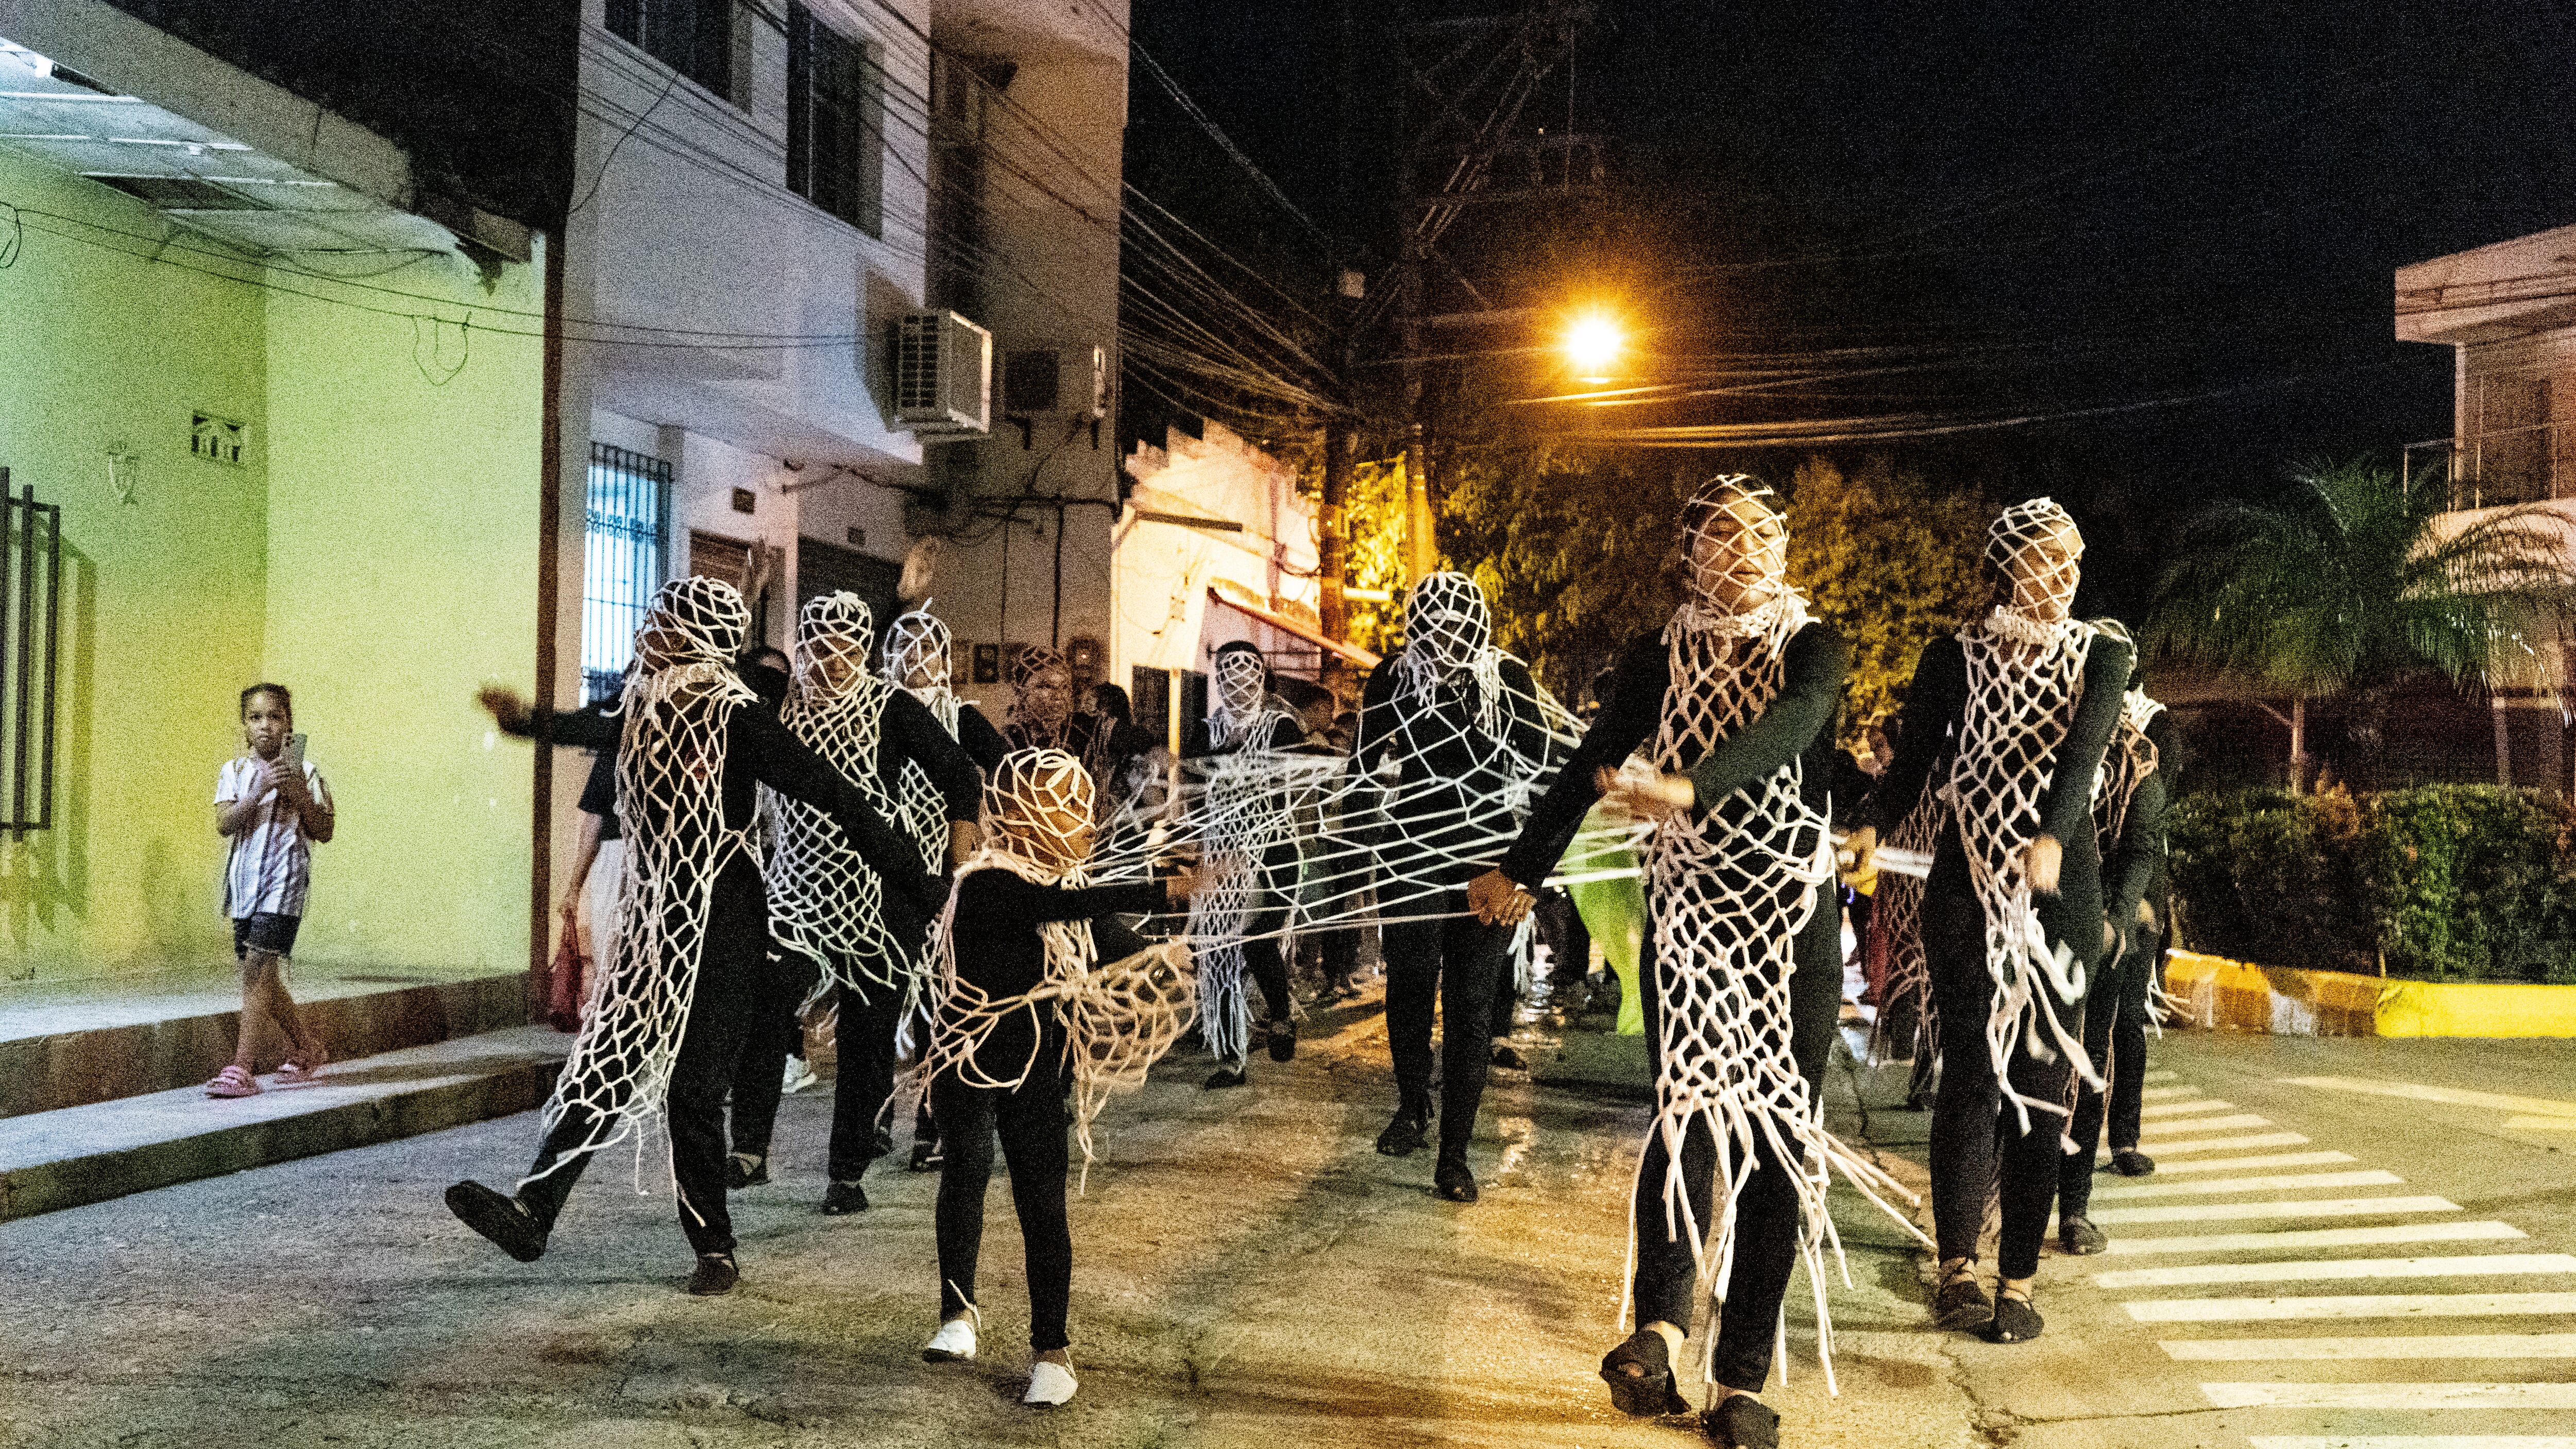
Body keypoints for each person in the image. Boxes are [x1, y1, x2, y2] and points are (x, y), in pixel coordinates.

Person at [1470, 480, 1919, 1447]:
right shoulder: (1659, 651)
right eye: (1720, 532)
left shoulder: (1814, 641)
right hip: (1690, 914)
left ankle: (1742, 1379)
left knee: (1778, 1139)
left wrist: (1688, 783)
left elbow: (1795, 724)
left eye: (1758, 532)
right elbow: (1593, 755)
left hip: (1789, 918)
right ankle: (1660, 1331)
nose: (1741, 548)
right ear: (1690, 552)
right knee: (1685, 1113)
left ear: (1784, 548)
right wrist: (1519, 866)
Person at [446, 577, 940, 1296]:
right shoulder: (641, 705)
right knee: (607, 1064)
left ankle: (716, 1249)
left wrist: (922, 881)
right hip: (654, 921)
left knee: (693, 1091)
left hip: (725, 924)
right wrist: (524, 721)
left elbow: (833, 792)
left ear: (697, 637)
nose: (649, 633)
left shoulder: (741, 719)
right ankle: (533, 1211)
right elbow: (588, 725)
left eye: (665, 623)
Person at [1850, 497, 2131, 1344]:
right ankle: (1955, 1269)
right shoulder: (1955, 655)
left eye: (2072, 562)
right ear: (2008, 566)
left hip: (2058, 892)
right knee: (1972, 1075)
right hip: (1965, 890)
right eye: (2046, 559)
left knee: (2046, 1087)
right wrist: (1870, 816)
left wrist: (2050, 834)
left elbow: (2081, 756)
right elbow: (1917, 758)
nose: (2062, 575)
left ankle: (2019, 1278)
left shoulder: (2101, 653)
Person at [917, 748, 1198, 1407]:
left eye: (1081, 806)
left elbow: (1113, 936)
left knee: (1042, 1203)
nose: (1085, 822)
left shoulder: (1068, 889)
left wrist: (1186, 947)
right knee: (963, 1175)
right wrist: (1160, 888)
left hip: (1040, 1067)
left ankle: (1052, 1346)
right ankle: (957, 1314)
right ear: (1024, 814)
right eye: (1068, 807)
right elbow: (1052, 902)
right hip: (969, 1059)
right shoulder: (986, 880)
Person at [737, 593, 981, 1214]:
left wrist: (956, 848)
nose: (835, 660)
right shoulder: (775, 696)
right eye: (821, 646)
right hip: (794, 887)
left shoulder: (890, 706)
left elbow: (959, 771)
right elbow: (718, 666)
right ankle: (748, 1149)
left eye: (848, 648)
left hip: (879, 894)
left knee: (868, 1037)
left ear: (864, 649)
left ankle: (845, 1173)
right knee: (767, 1007)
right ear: (802, 645)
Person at [1354, 572, 1560, 1202]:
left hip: (1486, 858)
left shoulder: (1507, 680)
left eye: (1456, 624)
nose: (1444, 635)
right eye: (1432, 623)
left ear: (1477, 624)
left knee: (1471, 1003)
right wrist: (1358, 851)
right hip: (1409, 852)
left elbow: (1547, 760)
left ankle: (1455, 1153)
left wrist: (1530, 867)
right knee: (1411, 982)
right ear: (1416, 623)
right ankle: (1411, 1106)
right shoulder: (1392, 677)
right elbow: (1362, 766)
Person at [2055, 685, 2176, 1252]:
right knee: (2019, 1059)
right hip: (2033, 913)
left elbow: (2140, 849)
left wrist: (2119, 915)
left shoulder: (2140, 758)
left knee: (2095, 1049)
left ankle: (2075, 1204)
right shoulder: (2036, 734)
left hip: (2103, 923)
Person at [1182, 641, 1312, 1087]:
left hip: (1272, 850)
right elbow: (1192, 784)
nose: (1237, 683)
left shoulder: (1281, 727)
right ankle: (1230, 1056)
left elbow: (1290, 777)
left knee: (1256, 940)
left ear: (1260, 678)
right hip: (1221, 851)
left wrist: (1240, 760)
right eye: (1228, 674)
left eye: (1247, 674)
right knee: (1216, 949)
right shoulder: (1205, 730)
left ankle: (1280, 1014)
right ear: (1217, 679)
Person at [207, 683, 335, 1097]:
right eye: (256, 718)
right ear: (245, 727)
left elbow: (326, 829)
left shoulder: (309, 773)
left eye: (275, 717)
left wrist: (298, 792)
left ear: (289, 725)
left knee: (257, 969)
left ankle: (242, 1068)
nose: (266, 726)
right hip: (245, 888)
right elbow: (225, 823)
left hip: (284, 885)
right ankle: (307, 1046)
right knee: (262, 974)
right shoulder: (235, 772)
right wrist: (259, 789)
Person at [1004, 645, 1109, 782]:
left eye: (1064, 687)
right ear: (1021, 691)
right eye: (1045, 686)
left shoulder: (1083, 735)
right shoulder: (1011, 739)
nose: (1058, 695)